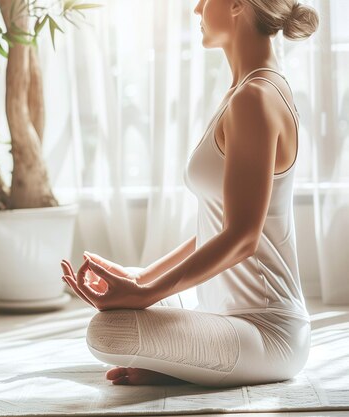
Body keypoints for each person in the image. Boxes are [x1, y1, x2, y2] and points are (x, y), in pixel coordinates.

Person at [60, 0, 319, 388]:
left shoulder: (255, 97)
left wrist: (144, 293)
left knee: (107, 333)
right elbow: (219, 226)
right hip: (221, 319)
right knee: (124, 291)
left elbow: (242, 238)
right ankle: (187, 363)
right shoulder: (243, 90)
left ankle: (186, 362)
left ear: (236, 5)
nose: (196, 9)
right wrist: (143, 278)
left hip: (267, 334)